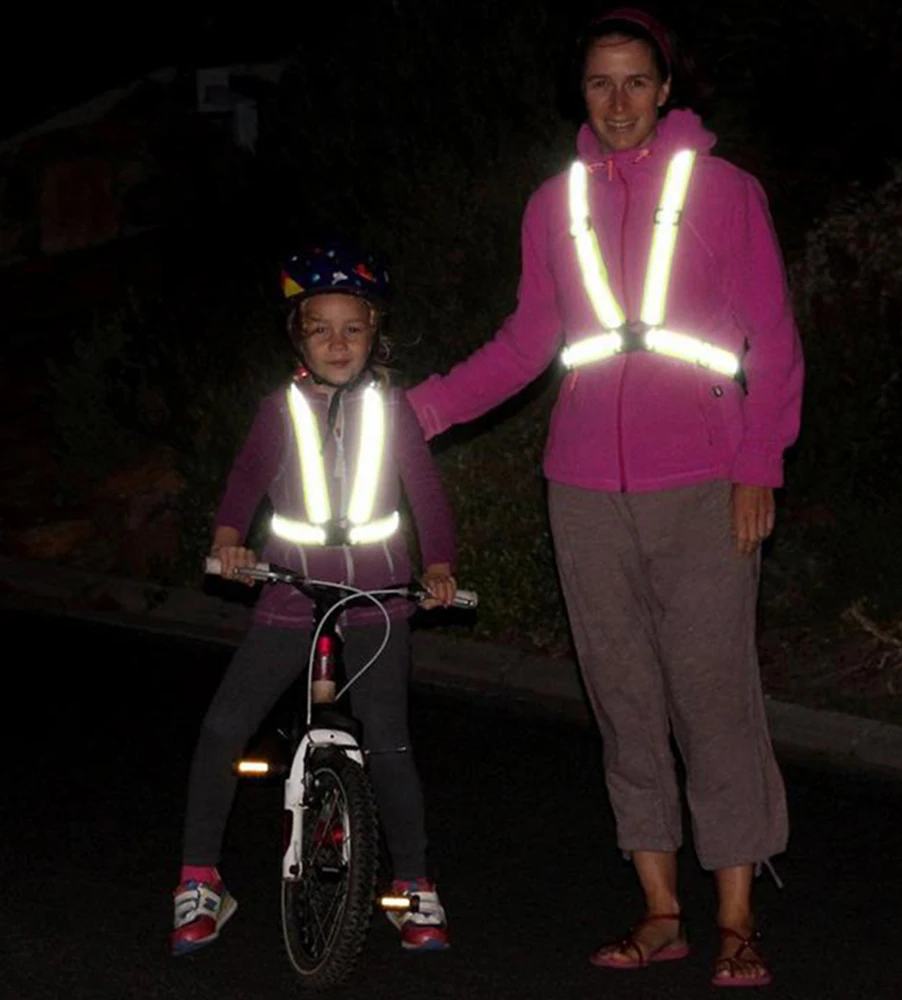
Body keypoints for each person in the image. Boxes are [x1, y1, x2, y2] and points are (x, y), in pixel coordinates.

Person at [406, 6, 803, 987]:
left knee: (713, 697)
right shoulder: (556, 204)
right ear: (579, 94)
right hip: (582, 489)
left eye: (635, 81)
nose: (618, 102)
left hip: (704, 482)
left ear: (665, 88)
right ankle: (661, 910)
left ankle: (737, 917)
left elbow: (773, 337)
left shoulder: (724, 190)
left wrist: (759, 462)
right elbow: (526, 341)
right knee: (622, 700)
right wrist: (417, 412)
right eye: (599, 83)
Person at [171, 239, 458, 956]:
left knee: (388, 741)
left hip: (378, 596)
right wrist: (230, 542)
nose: (337, 343)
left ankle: (414, 884)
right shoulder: (280, 409)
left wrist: (441, 566)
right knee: (222, 727)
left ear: (374, 332)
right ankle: (199, 879)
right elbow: (244, 482)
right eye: (321, 329)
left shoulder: (393, 411)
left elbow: (426, 494)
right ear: (298, 337)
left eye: (352, 328)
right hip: (291, 590)